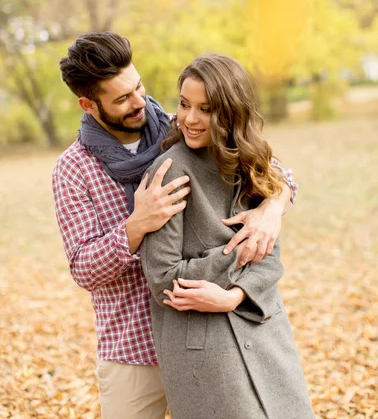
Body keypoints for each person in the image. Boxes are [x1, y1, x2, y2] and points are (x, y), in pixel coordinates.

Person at [52, 32, 297, 419]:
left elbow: (269, 170)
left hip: (210, 334)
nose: (137, 103)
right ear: (88, 104)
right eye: (121, 99)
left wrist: (273, 205)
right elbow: (83, 266)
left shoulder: (181, 126)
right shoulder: (73, 168)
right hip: (134, 350)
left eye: (138, 87)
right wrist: (135, 226)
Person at [140, 54, 315, 419]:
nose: (189, 118)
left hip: (263, 327)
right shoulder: (170, 171)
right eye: (184, 104)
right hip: (205, 348)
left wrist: (234, 296)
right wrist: (239, 253)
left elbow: (271, 253)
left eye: (205, 109)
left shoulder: (251, 161)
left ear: (231, 112)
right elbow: (162, 277)